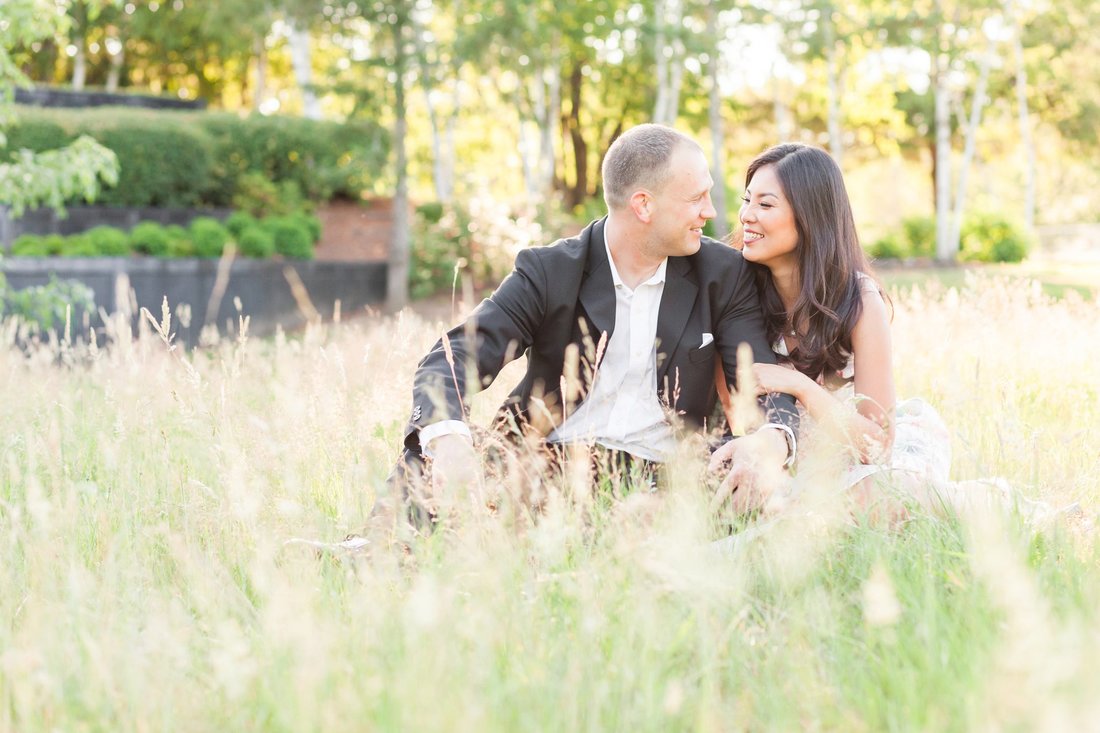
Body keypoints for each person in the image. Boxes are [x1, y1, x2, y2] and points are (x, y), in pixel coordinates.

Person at [389, 124, 799, 527]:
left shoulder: (723, 274)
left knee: (763, 494)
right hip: (547, 462)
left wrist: (773, 437)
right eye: (697, 198)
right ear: (643, 205)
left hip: (668, 477)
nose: (710, 212)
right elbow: (455, 356)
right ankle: (371, 552)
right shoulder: (549, 270)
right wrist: (448, 440)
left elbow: (762, 376)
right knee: (431, 447)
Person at [710, 143, 1058, 523]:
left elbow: (876, 445)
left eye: (766, 204)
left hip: (872, 448)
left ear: (809, 215)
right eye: (747, 200)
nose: (746, 215)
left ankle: (1021, 513)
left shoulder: (858, 300)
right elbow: (737, 416)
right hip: (791, 456)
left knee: (884, 493)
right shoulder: (738, 296)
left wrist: (801, 387)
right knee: (805, 513)